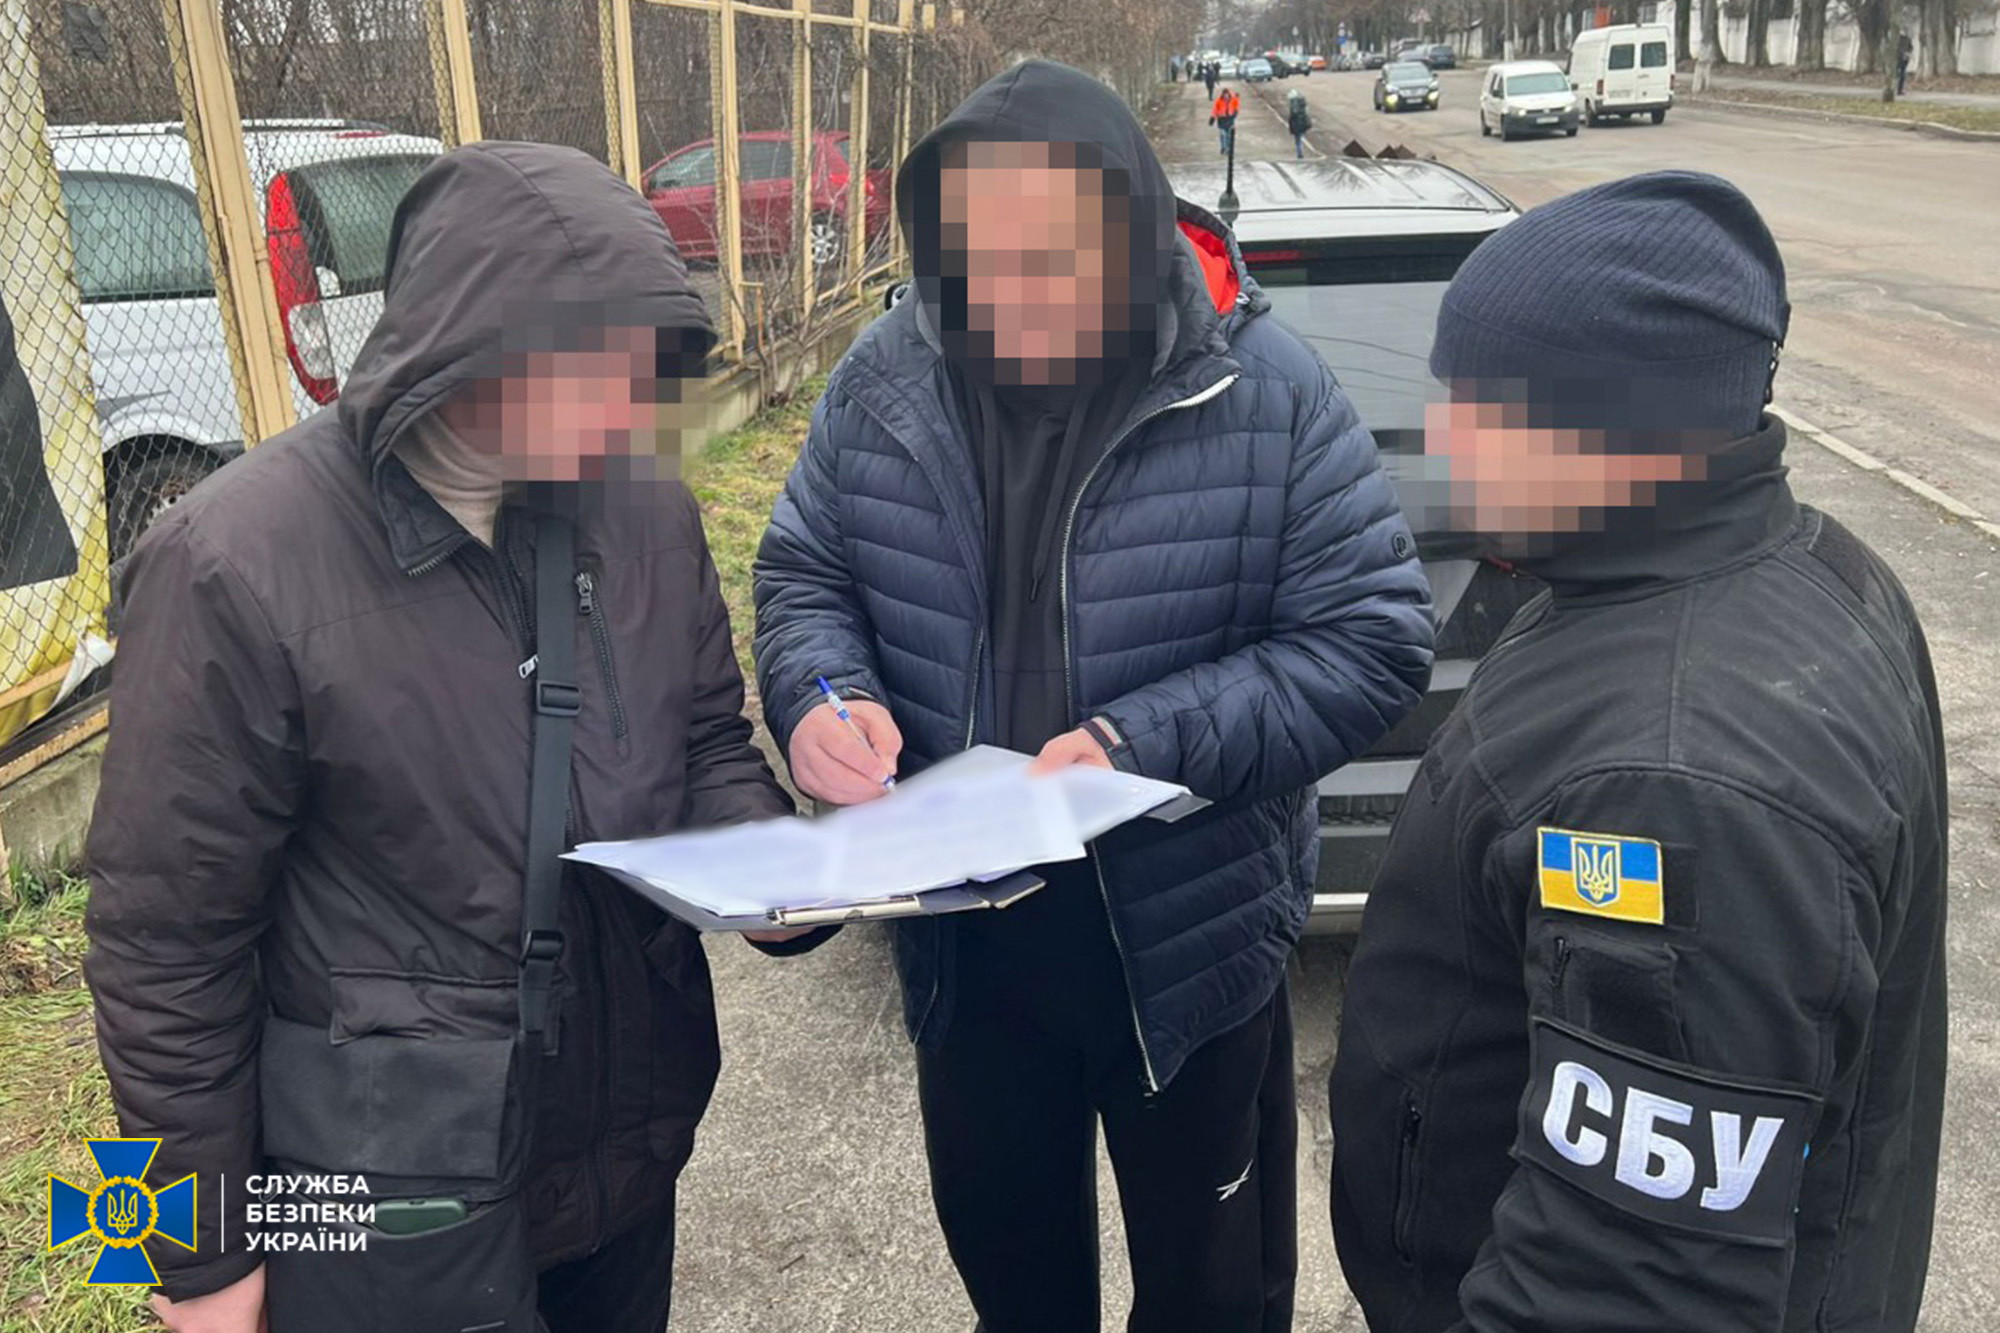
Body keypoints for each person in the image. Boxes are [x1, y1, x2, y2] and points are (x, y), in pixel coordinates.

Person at [85, 142, 814, 1333]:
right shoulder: (230, 563)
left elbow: (703, 742)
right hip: (383, 1195)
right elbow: (160, 943)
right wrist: (195, 1256)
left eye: (640, 370)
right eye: (590, 369)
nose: (623, 412)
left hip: (622, 1147)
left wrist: (778, 863)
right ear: (463, 345)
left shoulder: (643, 511)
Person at [754, 59, 1434, 1333]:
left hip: (1186, 943)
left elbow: (1372, 639)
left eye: (1050, 261)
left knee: (1212, 1296)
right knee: (1014, 1285)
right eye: (980, 261)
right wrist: (819, 696)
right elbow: (805, 570)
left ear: (1128, 236)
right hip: (967, 954)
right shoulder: (885, 373)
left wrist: (1138, 743)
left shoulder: (1261, 388)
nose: (1011, 299)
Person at [1329, 171, 1947, 1331]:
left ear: (1610, 429)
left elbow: (1629, 1291)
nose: (1439, 435)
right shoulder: (1797, 563)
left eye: (1473, 405)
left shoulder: (1675, 782)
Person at [1212, 83, 1241, 156]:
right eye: (1224, 95)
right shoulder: (1219, 101)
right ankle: (1223, 147)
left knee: (1229, 135)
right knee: (1223, 134)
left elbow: (1236, 105)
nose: (1226, 96)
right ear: (1222, 95)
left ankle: (1228, 148)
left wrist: (1235, 113)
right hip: (1221, 119)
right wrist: (1213, 117)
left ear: (1229, 95)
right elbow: (1215, 109)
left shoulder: (1233, 100)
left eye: (1227, 95)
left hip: (1230, 119)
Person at [1286, 89, 1312, 158]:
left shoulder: (1294, 103)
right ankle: (1300, 152)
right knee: (1299, 138)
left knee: (1298, 139)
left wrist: (1291, 119)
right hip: (1302, 123)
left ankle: (1299, 153)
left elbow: (1294, 113)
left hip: (1297, 124)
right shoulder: (1302, 103)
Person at [1897, 30, 1914, 95]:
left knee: (1902, 75)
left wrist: (1908, 53)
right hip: (1898, 58)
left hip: (1904, 58)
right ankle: (1897, 89)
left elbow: (1911, 47)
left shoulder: (1908, 39)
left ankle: (1900, 90)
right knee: (1899, 74)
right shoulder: (1897, 38)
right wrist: (1903, 53)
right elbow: (1896, 48)